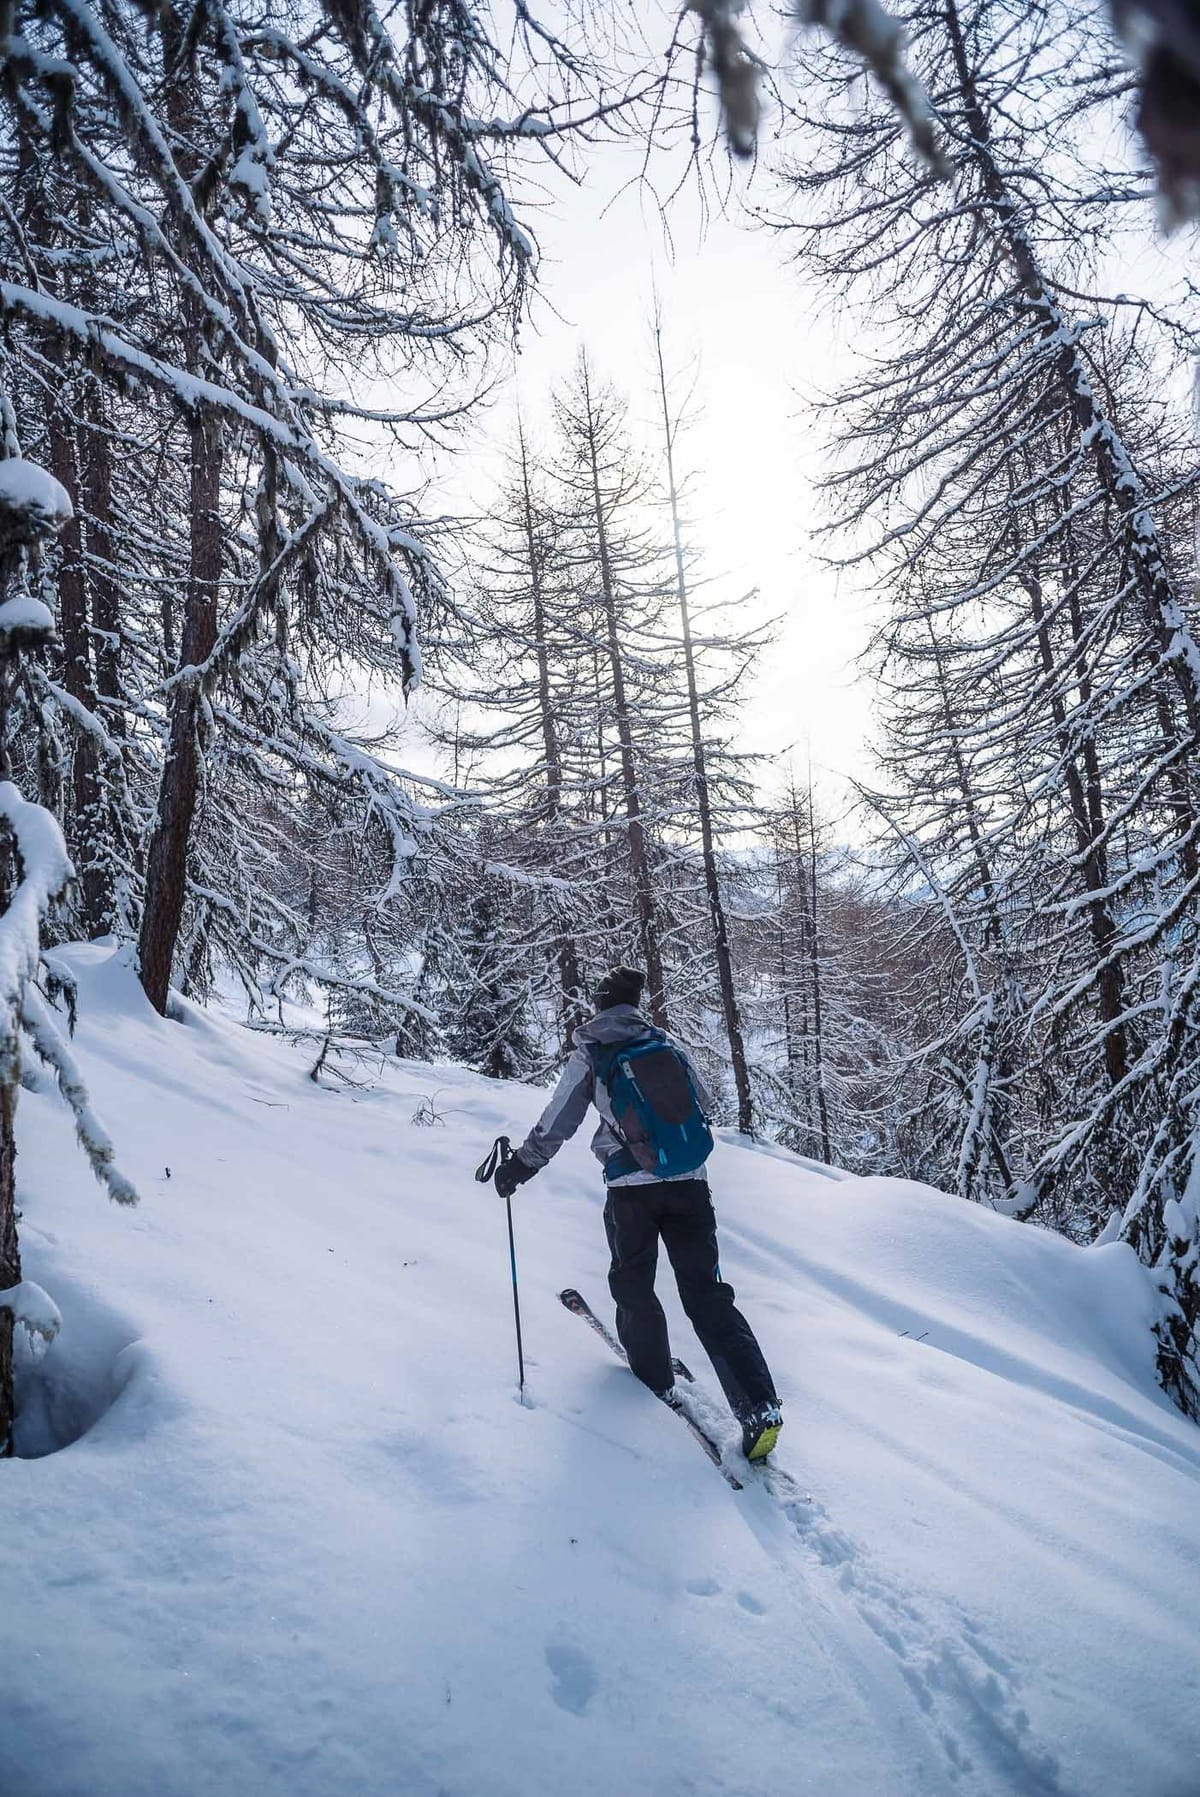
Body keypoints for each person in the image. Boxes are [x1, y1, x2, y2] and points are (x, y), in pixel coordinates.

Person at [494, 965, 783, 1461]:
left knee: (634, 1285)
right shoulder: (666, 1045)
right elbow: (704, 1101)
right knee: (708, 1295)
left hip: (631, 1191)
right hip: (691, 1186)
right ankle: (759, 1405)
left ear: (601, 1004)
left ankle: (653, 1381)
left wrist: (520, 1167)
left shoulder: (593, 1050)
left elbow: (559, 1120)